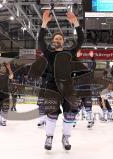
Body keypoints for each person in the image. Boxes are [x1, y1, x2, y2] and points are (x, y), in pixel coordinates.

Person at [38, 10, 84, 151]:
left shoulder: (70, 52)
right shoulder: (49, 54)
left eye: (60, 38)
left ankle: (66, 137)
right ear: (53, 42)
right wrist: (44, 23)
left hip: (68, 87)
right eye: (56, 39)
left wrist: (76, 22)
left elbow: (81, 38)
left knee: (70, 114)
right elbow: (40, 41)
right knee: (52, 113)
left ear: (63, 42)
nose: (58, 40)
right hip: (52, 86)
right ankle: (49, 137)